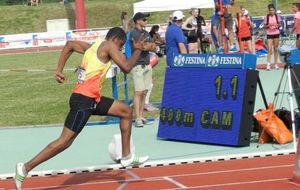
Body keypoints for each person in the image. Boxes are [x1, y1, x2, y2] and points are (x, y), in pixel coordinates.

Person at [14, 27, 149, 190]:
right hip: (84, 101)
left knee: (126, 111)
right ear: (115, 39)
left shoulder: (93, 46)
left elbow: (70, 45)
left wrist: (59, 70)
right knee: (64, 141)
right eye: (120, 45)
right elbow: (126, 68)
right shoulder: (108, 45)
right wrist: (137, 50)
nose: (119, 49)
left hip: (92, 99)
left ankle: (127, 156)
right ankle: (25, 168)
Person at [129, 12, 156, 127]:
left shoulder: (145, 32)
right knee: (138, 92)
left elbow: (152, 46)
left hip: (147, 64)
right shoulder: (133, 33)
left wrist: (148, 46)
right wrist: (147, 46)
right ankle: (137, 118)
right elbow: (140, 47)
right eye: (144, 19)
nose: (146, 21)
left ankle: (141, 116)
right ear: (137, 21)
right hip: (137, 65)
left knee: (144, 91)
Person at [264, 4, 281, 70]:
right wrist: (269, 25)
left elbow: (279, 24)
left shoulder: (277, 16)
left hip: (276, 33)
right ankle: (268, 64)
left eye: (273, 10)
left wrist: (277, 25)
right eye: (270, 10)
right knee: (269, 49)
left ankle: (276, 64)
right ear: (269, 11)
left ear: (274, 10)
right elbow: (264, 26)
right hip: (269, 34)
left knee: (276, 49)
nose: (271, 11)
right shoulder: (267, 17)